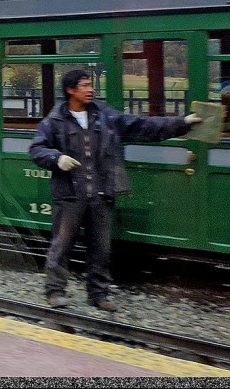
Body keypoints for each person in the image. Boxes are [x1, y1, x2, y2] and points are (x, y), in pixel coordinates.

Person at [28, 69, 203, 311]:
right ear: (70, 90)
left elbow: (141, 125)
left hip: (101, 193)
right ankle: (55, 291)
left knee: (100, 248)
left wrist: (181, 124)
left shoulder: (105, 116)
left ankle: (99, 294)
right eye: (85, 85)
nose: (91, 90)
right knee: (61, 245)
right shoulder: (53, 121)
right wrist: (56, 157)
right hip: (70, 195)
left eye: (90, 85)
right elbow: (36, 149)